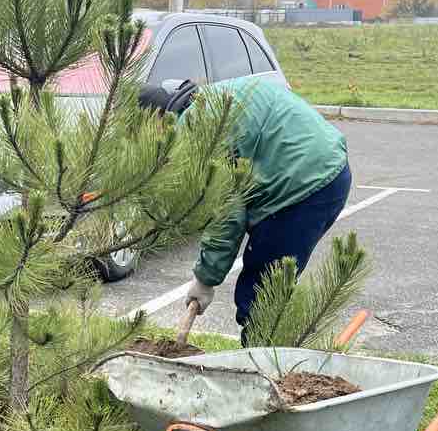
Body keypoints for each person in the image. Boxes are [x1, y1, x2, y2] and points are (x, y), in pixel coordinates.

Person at [143, 76, 351, 335]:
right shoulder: (216, 98)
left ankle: (258, 365)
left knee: (260, 296)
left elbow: (226, 213)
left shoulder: (193, 127)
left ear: (156, 120)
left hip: (299, 185)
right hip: (331, 172)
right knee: (270, 282)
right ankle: (270, 354)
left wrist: (205, 280)